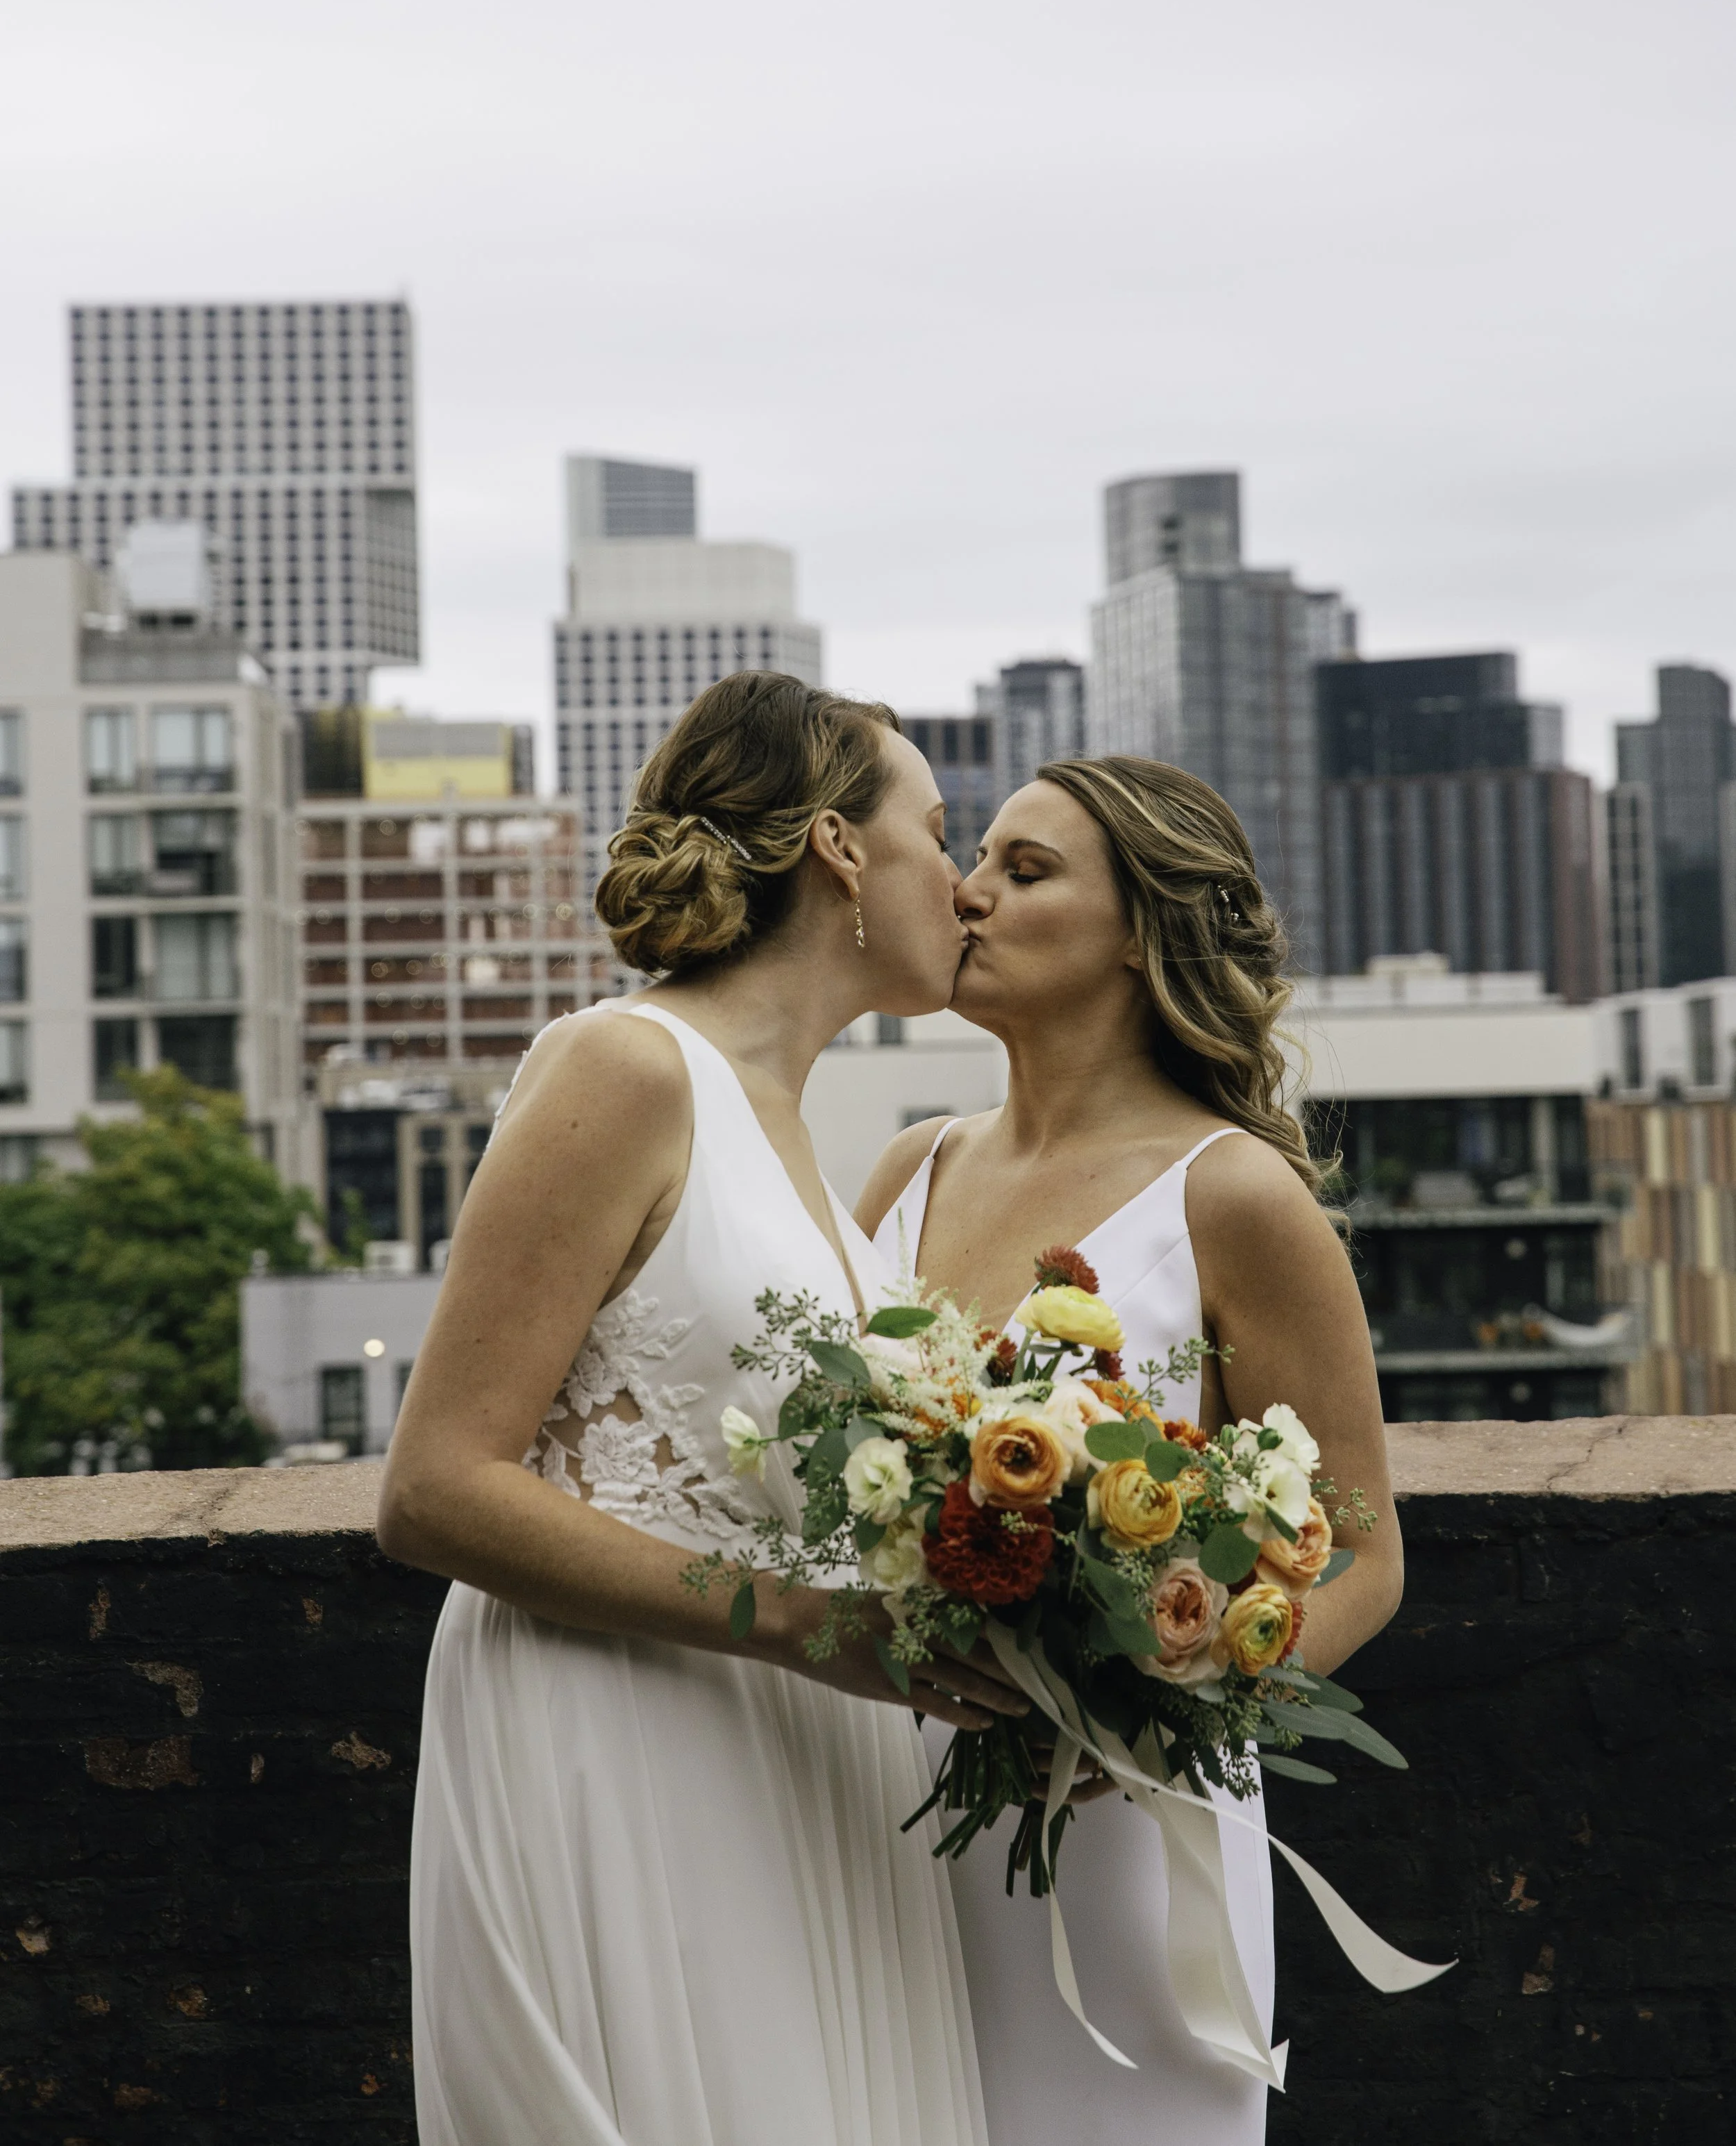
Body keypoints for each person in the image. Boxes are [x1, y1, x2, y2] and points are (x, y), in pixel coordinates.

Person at [380, 672, 1024, 2146]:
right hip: (624, 1736)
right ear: (839, 850)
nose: (968, 882)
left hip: (799, 1754)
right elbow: (432, 1486)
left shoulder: (800, 1133)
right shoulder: (624, 1064)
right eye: (942, 830)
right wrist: (805, 1627)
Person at [856, 754, 1403, 2144]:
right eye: (975, 857)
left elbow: (1361, 1546)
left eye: (1025, 871)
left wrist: (1185, 1696)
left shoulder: (1230, 1194)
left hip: (1117, 1834)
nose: (968, 893)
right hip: (867, 1818)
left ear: (1142, 931)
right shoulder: (906, 1167)